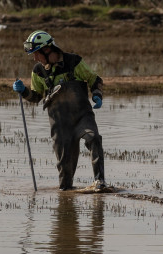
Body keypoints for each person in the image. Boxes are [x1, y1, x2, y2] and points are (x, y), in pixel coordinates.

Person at [12, 30, 106, 191]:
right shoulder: (38, 71)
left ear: (47, 50)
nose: (34, 58)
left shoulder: (73, 61)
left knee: (94, 138)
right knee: (64, 165)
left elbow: (94, 79)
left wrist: (97, 94)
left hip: (82, 115)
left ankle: (100, 182)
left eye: (36, 54)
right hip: (59, 122)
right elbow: (36, 97)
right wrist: (23, 91)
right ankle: (66, 194)